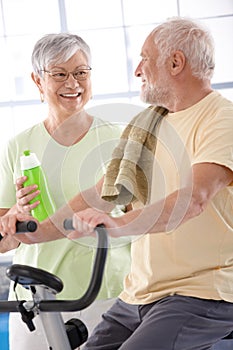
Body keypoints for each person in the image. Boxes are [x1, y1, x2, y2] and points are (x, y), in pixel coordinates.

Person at [1, 16, 233, 350]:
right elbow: (100, 195)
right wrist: (35, 231)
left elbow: (193, 198)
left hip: (198, 291)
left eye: (145, 59)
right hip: (140, 292)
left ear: (175, 62)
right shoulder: (147, 124)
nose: (137, 70)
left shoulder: (220, 118)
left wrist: (118, 223)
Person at [0, 33, 131, 350]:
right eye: (59, 74)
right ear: (37, 80)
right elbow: (5, 242)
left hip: (107, 294)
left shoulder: (119, 138)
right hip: (35, 298)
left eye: (81, 72)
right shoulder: (19, 146)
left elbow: (140, 221)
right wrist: (14, 219)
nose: (72, 83)